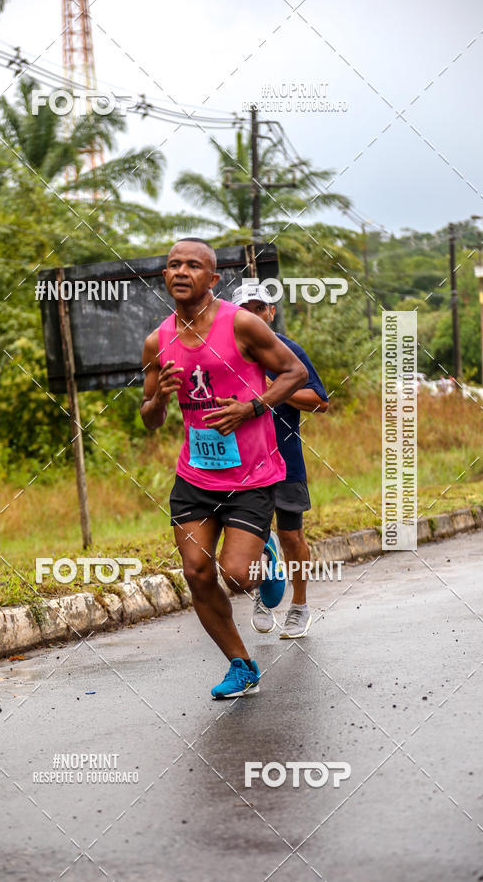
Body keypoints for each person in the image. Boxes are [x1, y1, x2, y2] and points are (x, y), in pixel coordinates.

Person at [140, 239, 308, 699]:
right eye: (174, 264)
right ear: (164, 276)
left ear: (212, 279)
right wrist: (159, 397)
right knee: (196, 571)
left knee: (236, 574)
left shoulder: (243, 325)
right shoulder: (158, 340)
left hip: (252, 474)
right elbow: (150, 417)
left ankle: (265, 562)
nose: (181, 271)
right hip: (195, 476)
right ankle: (241, 665)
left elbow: (294, 373)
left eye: (193, 265)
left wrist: (251, 408)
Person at [231, 281, 329, 638]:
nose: (253, 314)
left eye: (260, 308)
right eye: (245, 310)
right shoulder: (227, 354)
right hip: (241, 464)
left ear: (271, 312)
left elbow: (320, 401)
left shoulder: (288, 351)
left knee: (291, 535)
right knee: (250, 538)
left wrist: (276, 391)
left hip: (285, 460)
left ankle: (300, 605)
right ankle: (262, 594)